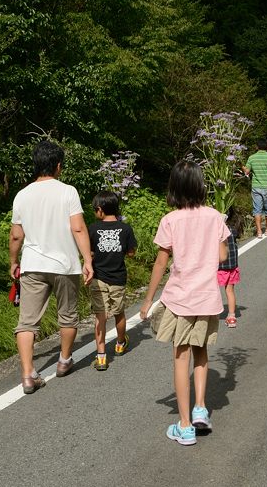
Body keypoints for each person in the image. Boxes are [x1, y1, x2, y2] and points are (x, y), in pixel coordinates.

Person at [140, 161, 230, 446]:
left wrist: (148, 299)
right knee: (201, 353)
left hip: (180, 299)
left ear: (175, 187)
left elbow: (161, 262)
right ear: (200, 185)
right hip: (207, 298)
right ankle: (201, 409)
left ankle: (184, 425)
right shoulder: (215, 216)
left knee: (181, 358)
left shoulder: (171, 220)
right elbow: (222, 256)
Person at [9, 140, 93, 393]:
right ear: (58, 166)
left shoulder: (22, 195)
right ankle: (64, 361)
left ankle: (27, 374)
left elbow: (16, 236)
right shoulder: (68, 191)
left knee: (27, 323)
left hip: (33, 265)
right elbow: (78, 227)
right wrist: (88, 259)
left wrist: (14, 262)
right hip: (65, 265)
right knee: (67, 316)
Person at [88, 190, 137, 371]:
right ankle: (119, 343)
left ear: (100, 210)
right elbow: (131, 253)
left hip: (98, 278)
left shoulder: (92, 229)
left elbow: (90, 253)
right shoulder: (126, 229)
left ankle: (101, 357)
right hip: (118, 278)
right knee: (119, 313)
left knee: (100, 316)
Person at [242, 138, 267, 238]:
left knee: (257, 209)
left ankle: (258, 231)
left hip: (256, 187)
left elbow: (247, 172)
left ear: (256, 147)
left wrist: (243, 167)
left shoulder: (252, 158)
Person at [218, 207, 244, 328]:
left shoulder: (217, 230)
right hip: (232, 266)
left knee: (214, 291)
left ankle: (211, 314)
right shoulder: (233, 229)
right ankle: (232, 316)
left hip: (219, 266)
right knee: (230, 291)